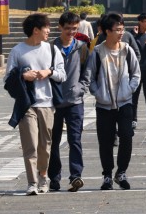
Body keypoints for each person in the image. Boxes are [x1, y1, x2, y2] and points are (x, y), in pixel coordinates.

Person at [5, 13, 68, 195]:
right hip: (27, 104)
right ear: (36, 30)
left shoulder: (52, 50)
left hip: (47, 103)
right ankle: (32, 182)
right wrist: (23, 76)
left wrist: (49, 72)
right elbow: (7, 78)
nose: (49, 31)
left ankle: (43, 177)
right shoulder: (17, 51)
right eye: (46, 27)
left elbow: (62, 75)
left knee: (45, 144)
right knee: (30, 144)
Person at [84, 12, 140, 190]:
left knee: (127, 137)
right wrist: (98, 93)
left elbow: (136, 74)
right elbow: (89, 77)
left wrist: (129, 89)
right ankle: (107, 175)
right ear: (107, 31)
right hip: (104, 105)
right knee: (106, 141)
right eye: (117, 30)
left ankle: (121, 172)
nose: (121, 33)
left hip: (125, 103)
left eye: (122, 29)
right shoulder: (97, 52)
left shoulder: (127, 50)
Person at [47, 12, 89, 193]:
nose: (71, 32)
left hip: (75, 101)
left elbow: (87, 73)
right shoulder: (50, 48)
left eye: (74, 28)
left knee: (75, 139)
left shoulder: (82, 48)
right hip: (54, 102)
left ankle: (76, 175)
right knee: (53, 141)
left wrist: (80, 88)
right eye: (67, 28)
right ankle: (54, 177)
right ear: (60, 27)